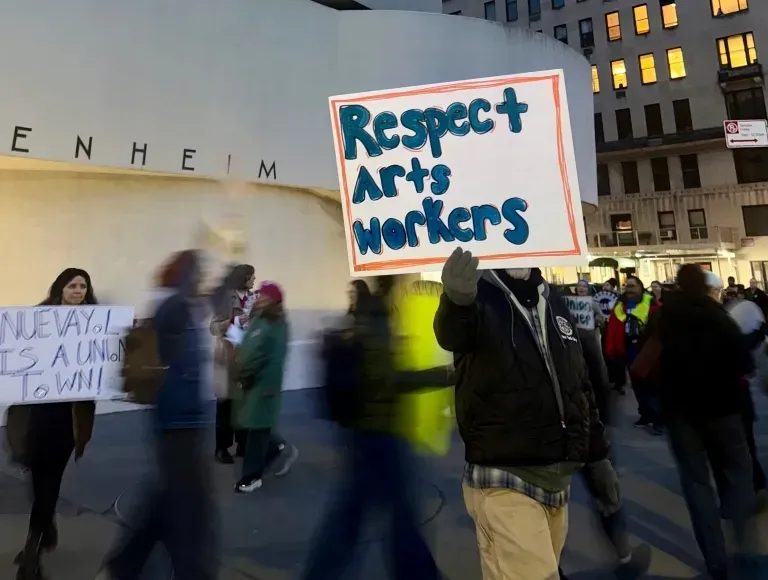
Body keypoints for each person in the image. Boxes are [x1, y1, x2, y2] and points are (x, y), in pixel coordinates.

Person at [434, 249, 614, 580]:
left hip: (558, 482)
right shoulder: (479, 296)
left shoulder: (553, 299)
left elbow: (579, 384)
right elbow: (453, 334)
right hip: (505, 479)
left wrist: (598, 455)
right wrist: (456, 302)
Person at [301, 276, 452, 580]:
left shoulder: (363, 322)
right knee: (389, 515)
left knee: (357, 513)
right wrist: (444, 374)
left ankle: (323, 572)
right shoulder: (378, 323)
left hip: (366, 432)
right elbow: (390, 380)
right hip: (379, 434)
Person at [98, 250, 218, 580]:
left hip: (185, 419)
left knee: (168, 500)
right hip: (177, 421)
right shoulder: (173, 307)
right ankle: (191, 572)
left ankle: (124, 565)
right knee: (189, 509)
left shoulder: (179, 307)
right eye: (198, 273)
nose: (203, 280)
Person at [654, 264, 756, 580]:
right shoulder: (718, 318)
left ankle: (715, 559)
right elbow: (744, 363)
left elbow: (648, 359)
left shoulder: (665, 317)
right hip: (723, 408)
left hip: (681, 412)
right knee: (739, 470)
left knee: (696, 484)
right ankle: (742, 535)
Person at [10, 269, 98, 580]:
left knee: (49, 482)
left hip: (69, 418)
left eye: (83, 286)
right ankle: (45, 528)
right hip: (36, 414)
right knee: (38, 481)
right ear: (60, 288)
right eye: (72, 285)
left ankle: (31, 551)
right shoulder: (37, 319)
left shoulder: (96, 322)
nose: (78, 291)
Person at [233, 281, 294, 492]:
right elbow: (250, 347)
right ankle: (277, 446)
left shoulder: (277, 325)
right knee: (252, 424)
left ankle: (252, 477)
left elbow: (275, 359)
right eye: (259, 295)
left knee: (257, 430)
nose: (259, 299)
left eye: (264, 297)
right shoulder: (260, 319)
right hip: (250, 381)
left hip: (263, 384)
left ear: (273, 300)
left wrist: (269, 385)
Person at [721, 274, 768, 496]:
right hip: (728, 393)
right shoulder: (716, 319)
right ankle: (752, 485)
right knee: (741, 442)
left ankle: (752, 484)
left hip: (731, 393)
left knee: (741, 442)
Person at [210, 263, 255, 462]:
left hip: (247, 356)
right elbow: (213, 327)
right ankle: (222, 448)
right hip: (228, 358)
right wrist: (234, 322)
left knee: (244, 403)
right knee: (226, 405)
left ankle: (243, 444)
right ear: (243, 278)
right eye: (251, 276)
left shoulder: (254, 298)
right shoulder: (226, 299)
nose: (254, 280)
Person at [605, 275, 661, 432]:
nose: (629, 289)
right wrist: (612, 349)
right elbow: (613, 329)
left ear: (640, 287)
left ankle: (658, 418)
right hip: (629, 351)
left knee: (653, 386)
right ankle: (645, 414)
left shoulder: (651, 303)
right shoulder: (619, 305)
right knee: (637, 386)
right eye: (627, 286)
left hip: (647, 352)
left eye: (632, 286)